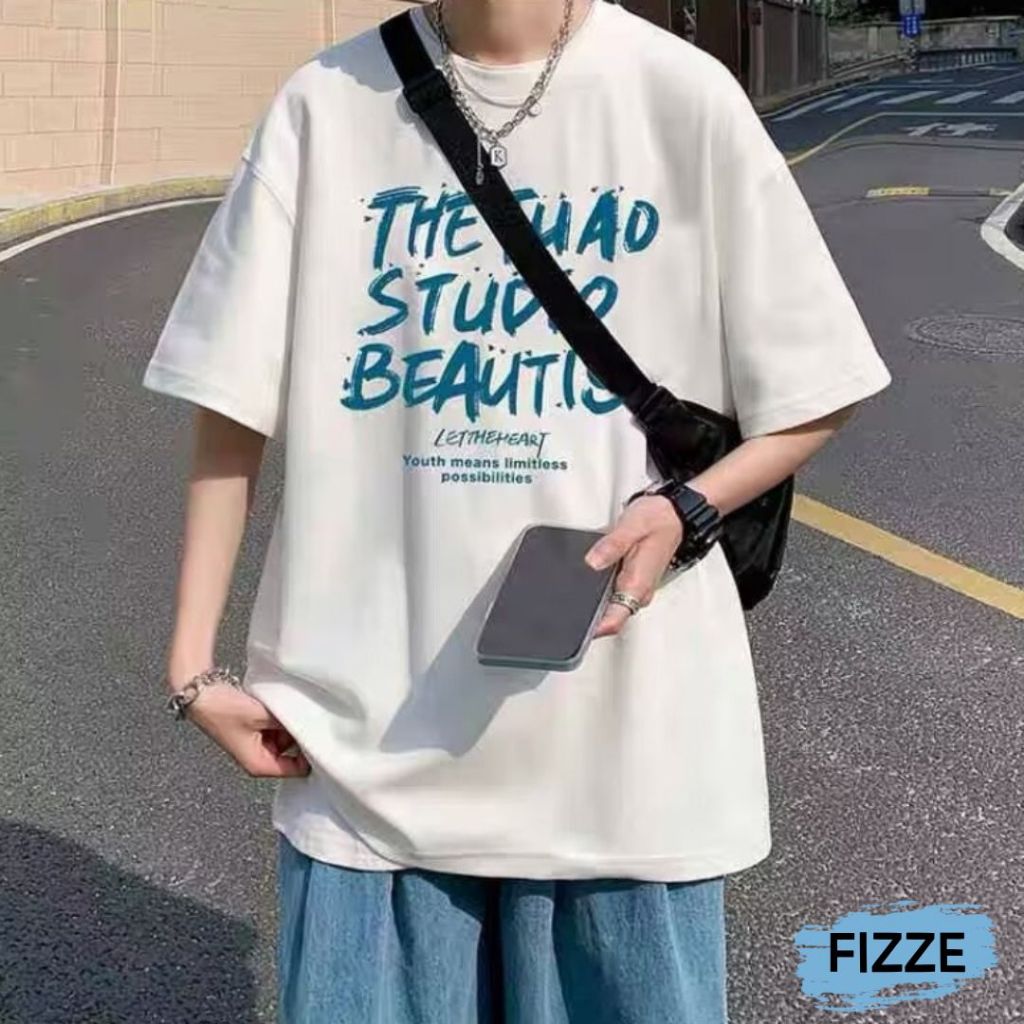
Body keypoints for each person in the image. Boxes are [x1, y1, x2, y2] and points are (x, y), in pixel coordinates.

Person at [142, 1, 892, 1021]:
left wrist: (687, 507)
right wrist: (191, 667)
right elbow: (231, 398)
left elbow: (817, 385)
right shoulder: (324, 106)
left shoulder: (679, 96)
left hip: (624, 760)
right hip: (370, 759)